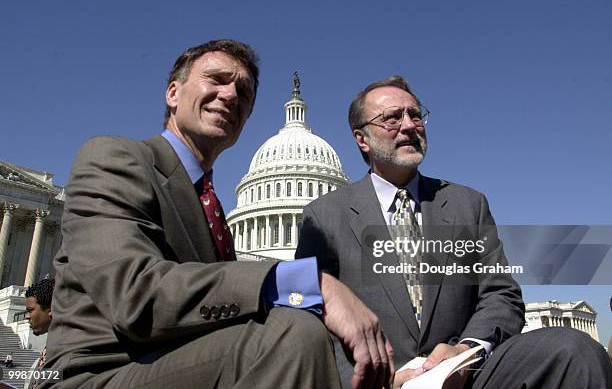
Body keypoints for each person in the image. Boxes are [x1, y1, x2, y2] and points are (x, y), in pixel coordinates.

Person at [42, 39, 393, 389]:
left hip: (181, 362)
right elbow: (137, 294)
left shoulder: (207, 205)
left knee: (299, 326)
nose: (230, 95)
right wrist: (306, 281)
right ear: (173, 93)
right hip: (100, 374)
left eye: (243, 92)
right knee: (293, 331)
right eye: (216, 79)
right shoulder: (114, 159)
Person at [296, 75, 612, 389]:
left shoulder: (468, 204)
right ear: (362, 139)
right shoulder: (324, 216)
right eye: (392, 118)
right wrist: (373, 380)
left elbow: (500, 293)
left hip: (467, 375)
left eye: (415, 114)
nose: (409, 126)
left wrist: (466, 352)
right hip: (378, 380)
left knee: (575, 350)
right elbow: (308, 320)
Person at [24, 278, 55, 389]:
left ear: (51, 309)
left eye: (30, 310)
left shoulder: (66, 351)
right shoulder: (49, 349)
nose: (27, 316)